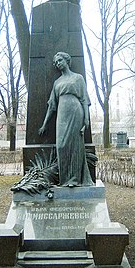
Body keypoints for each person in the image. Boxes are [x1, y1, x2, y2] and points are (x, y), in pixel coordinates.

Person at [39, 52, 93, 187]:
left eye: (60, 60)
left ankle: (74, 179)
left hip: (76, 113)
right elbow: (52, 106)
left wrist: (86, 119)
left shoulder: (78, 78)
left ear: (67, 61)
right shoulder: (57, 82)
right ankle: (65, 179)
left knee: (75, 145)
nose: (58, 64)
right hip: (62, 115)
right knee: (61, 145)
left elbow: (84, 99)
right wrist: (44, 124)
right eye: (56, 62)